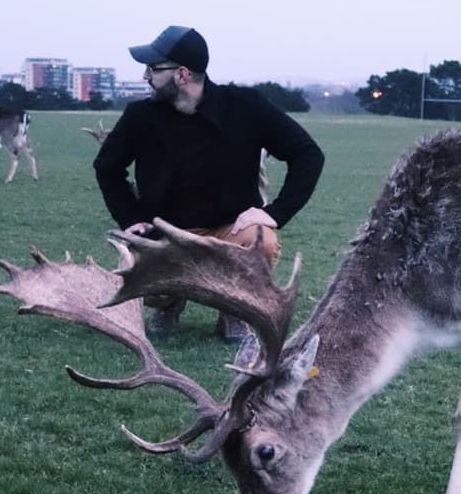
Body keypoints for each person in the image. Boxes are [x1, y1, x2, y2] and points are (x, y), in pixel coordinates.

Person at [93, 25, 324, 342]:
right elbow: (107, 167)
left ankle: (235, 311)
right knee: (138, 256)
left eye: (154, 68)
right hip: (166, 232)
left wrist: (276, 212)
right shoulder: (140, 116)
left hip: (227, 229)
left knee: (262, 241)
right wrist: (131, 219)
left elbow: (307, 154)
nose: (145, 76)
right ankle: (167, 304)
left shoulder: (245, 107)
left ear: (182, 74)